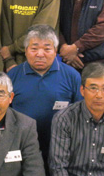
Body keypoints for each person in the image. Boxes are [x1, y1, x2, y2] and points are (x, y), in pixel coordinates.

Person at [8, 25, 81, 167]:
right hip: (21, 148)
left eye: (47, 49)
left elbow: (80, 113)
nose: (40, 54)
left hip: (61, 149)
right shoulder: (12, 76)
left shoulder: (72, 76)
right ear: (26, 50)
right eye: (34, 48)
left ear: (55, 51)